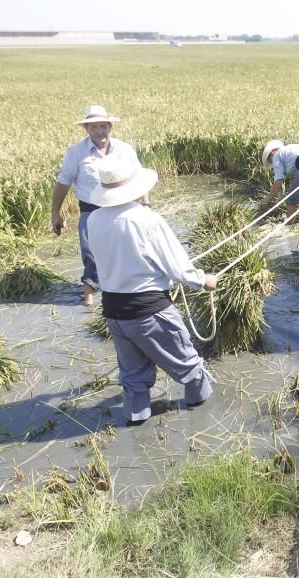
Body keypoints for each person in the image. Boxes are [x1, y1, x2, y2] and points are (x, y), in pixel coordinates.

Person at [85, 153, 217, 426]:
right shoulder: (146, 220)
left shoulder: (94, 219)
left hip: (114, 313)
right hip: (150, 312)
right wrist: (203, 280)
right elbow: (177, 266)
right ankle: (201, 407)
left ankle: (135, 423)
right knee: (189, 365)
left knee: (133, 375)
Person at [51, 105, 144, 306]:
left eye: (103, 126)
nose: (99, 131)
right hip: (91, 209)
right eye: (94, 127)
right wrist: (55, 213)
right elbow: (63, 182)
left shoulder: (124, 149)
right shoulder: (76, 152)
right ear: (86, 129)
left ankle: (125, 290)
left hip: (124, 207)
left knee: (129, 248)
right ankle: (89, 294)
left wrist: (146, 205)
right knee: (90, 251)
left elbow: (139, 176)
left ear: (110, 126)